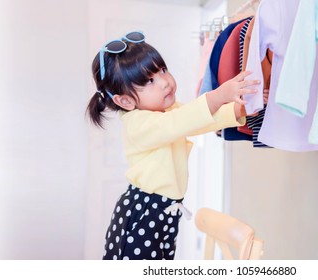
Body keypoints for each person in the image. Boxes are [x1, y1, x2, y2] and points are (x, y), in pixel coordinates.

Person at [86, 31, 259, 260]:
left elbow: (196, 121)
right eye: (150, 80)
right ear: (125, 100)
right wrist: (218, 96)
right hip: (143, 212)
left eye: (163, 70)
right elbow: (181, 121)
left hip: (164, 211)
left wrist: (239, 109)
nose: (165, 81)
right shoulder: (138, 124)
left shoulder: (167, 111)